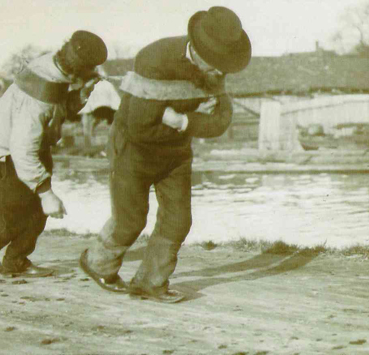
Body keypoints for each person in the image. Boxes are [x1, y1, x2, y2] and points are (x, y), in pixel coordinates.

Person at [79, 7, 252, 302]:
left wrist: (183, 120)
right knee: (131, 220)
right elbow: (141, 130)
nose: (221, 73)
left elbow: (221, 120)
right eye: (217, 65)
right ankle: (97, 262)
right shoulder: (154, 59)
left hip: (176, 153)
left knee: (178, 220)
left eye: (226, 65)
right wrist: (193, 115)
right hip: (133, 150)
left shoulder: (216, 65)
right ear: (197, 50)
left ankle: (149, 281)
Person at [0, 31, 108, 276]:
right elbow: (22, 148)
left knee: (38, 213)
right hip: (5, 151)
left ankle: (16, 261)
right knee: (14, 215)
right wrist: (46, 192)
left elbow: (56, 109)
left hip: (31, 146)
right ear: (76, 71)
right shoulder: (38, 98)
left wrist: (81, 94)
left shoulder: (55, 64)